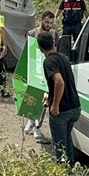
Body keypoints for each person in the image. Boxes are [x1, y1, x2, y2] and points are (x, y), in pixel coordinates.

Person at [40, 31, 82, 168]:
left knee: (59, 144)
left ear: (40, 48)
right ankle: (70, 166)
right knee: (67, 137)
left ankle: (62, 169)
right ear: (54, 43)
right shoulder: (63, 58)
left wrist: (55, 105)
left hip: (62, 110)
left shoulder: (49, 62)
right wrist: (50, 94)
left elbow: (59, 82)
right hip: (75, 106)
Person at [23, 11, 58, 143]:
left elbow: (56, 51)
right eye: (46, 22)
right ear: (42, 20)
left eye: (51, 23)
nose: (48, 25)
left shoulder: (54, 34)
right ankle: (31, 120)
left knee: (44, 99)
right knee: (32, 96)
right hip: (33, 68)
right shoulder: (32, 33)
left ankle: (37, 126)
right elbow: (27, 51)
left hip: (47, 69)